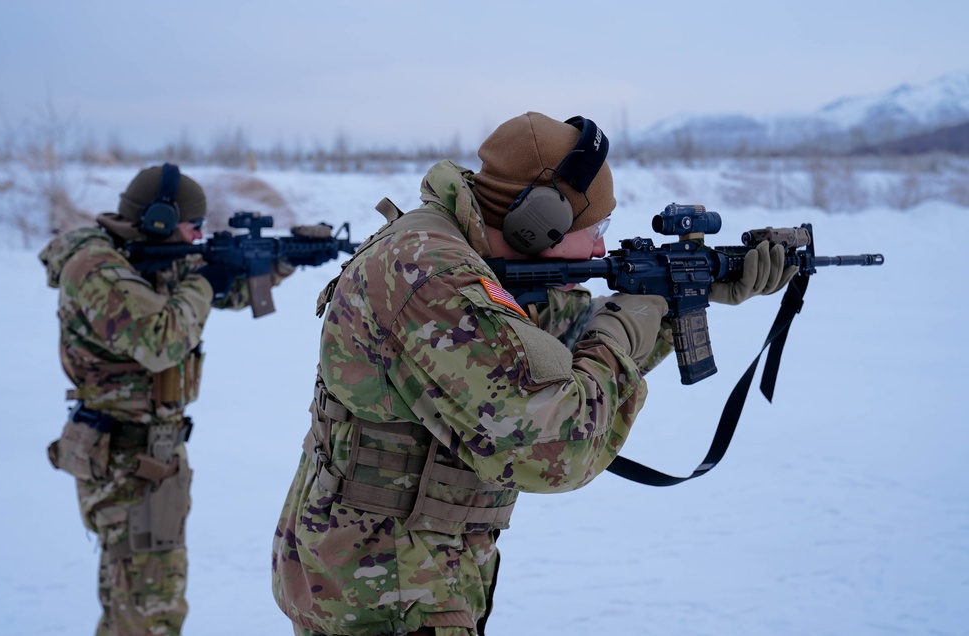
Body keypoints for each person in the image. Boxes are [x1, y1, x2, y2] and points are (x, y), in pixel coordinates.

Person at [271, 112, 795, 636]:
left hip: (397, 570)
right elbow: (557, 447)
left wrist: (674, 303)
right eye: (595, 229)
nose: (600, 249)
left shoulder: (460, 252)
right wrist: (620, 333)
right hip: (387, 590)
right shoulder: (432, 277)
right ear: (536, 221)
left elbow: (543, 349)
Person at [40, 163, 295, 635]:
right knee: (149, 610)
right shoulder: (96, 267)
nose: (198, 235)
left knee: (134, 604)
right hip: (124, 458)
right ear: (157, 218)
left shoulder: (146, 254)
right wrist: (205, 280)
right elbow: (161, 339)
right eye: (192, 224)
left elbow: (219, 293)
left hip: (150, 454)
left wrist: (276, 261)